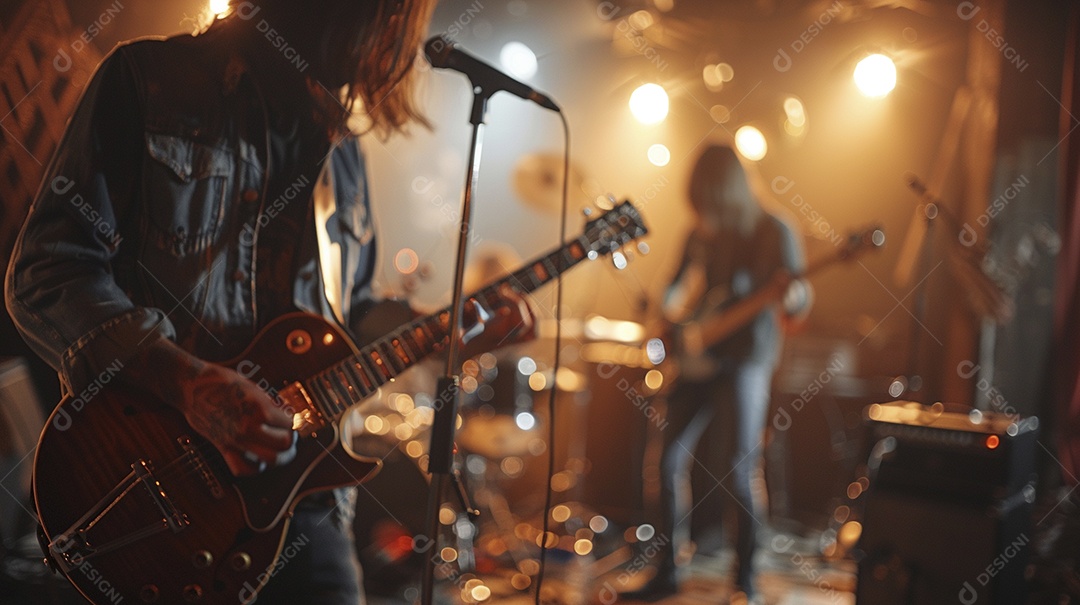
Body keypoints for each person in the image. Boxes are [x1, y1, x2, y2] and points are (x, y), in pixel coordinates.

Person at [4, 1, 534, 603]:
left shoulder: (344, 150)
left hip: (307, 501)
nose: (399, 45)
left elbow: (351, 316)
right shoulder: (149, 81)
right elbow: (47, 272)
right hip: (155, 493)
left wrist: (440, 333)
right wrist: (187, 383)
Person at [620, 145, 810, 603]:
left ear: (728, 193)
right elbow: (671, 284)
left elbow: (801, 300)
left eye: (710, 203)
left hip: (745, 361)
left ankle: (746, 581)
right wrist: (663, 319)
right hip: (697, 360)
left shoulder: (773, 230)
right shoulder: (699, 233)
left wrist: (790, 296)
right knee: (664, 463)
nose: (704, 214)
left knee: (738, 470)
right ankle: (668, 571)